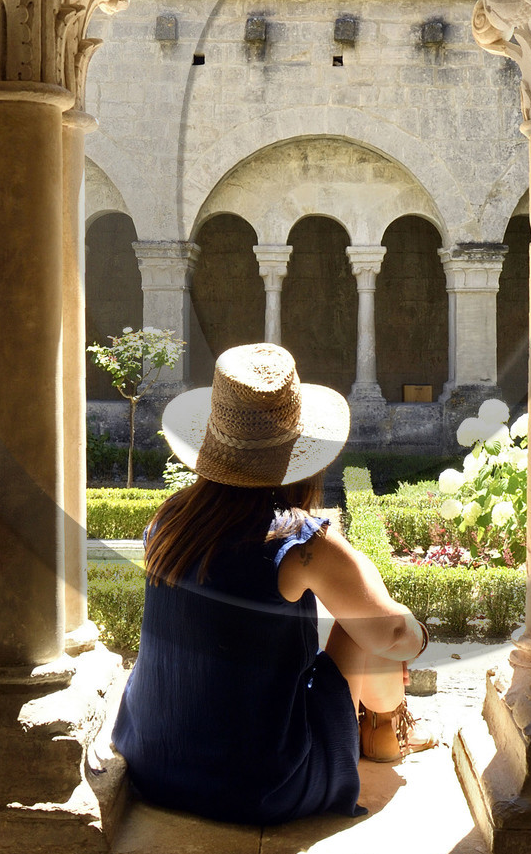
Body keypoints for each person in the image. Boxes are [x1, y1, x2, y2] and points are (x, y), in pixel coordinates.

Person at [111, 343, 436, 826]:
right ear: (301, 452)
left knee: (359, 604)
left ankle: (383, 725)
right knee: (365, 620)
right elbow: (391, 635)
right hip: (258, 785)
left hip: (153, 761)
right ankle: (386, 728)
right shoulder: (300, 540)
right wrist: (415, 631)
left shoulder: (170, 519)